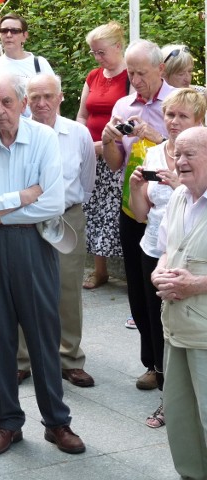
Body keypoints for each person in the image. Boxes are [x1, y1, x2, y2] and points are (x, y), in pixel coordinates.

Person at [0, 72, 85, 457]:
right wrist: (23, 198)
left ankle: (57, 422)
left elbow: (51, 203)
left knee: (43, 332)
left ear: (23, 104)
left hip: (35, 244)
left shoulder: (44, 139)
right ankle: (7, 423)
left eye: (7, 102)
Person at [128, 88, 206, 428]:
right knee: (156, 325)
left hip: (193, 266)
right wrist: (135, 188)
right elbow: (142, 214)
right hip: (157, 251)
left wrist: (180, 185)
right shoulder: (154, 153)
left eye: (182, 116)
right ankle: (168, 391)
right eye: (169, 115)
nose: (172, 122)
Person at [102, 39, 175, 391]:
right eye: (130, 73)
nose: (135, 80)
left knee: (167, 289)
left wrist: (158, 135)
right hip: (133, 209)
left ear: (160, 69)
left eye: (141, 73)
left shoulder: (180, 103)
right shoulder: (123, 104)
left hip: (171, 212)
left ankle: (174, 364)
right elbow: (116, 164)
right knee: (138, 290)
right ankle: (152, 363)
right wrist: (108, 141)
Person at [20, 73, 96, 387]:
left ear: (61, 97)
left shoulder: (78, 134)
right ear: (25, 101)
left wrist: (69, 207)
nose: (41, 103)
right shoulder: (16, 133)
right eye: (34, 97)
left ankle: (69, 358)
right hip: (24, 220)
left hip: (68, 217)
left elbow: (87, 179)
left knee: (67, 289)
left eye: (47, 96)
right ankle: (22, 359)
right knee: (22, 289)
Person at [151, 126, 207, 480]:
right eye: (177, 154)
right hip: (174, 327)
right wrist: (159, 274)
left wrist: (197, 284)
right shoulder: (177, 198)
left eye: (190, 154)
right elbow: (164, 253)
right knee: (182, 417)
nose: (180, 162)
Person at [76, 22, 129, 293]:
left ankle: (132, 269)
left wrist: (104, 144)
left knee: (117, 211)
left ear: (118, 47)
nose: (98, 58)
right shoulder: (93, 76)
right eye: (94, 52)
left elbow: (131, 118)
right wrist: (83, 142)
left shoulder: (130, 76)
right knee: (94, 209)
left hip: (116, 153)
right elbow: (83, 114)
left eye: (102, 52)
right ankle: (100, 270)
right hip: (91, 153)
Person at [0, 13, 54, 79]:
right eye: (4, 31)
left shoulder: (39, 63)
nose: (8, 35)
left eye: (15, 31)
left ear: (25, 36)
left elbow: (55, 89)